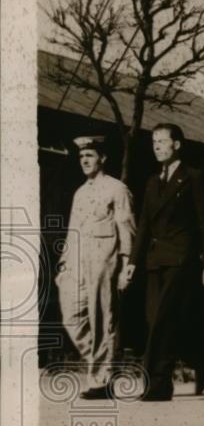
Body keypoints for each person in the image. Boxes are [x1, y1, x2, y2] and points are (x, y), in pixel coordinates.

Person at [123, 123, 204, 401]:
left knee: (162, 321)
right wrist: (132, 261)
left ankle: (158, 385)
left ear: (177, 145)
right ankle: (198, 359)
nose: (157, 146)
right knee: (155, 319)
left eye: (163, 141)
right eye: (154, 142)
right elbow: (143, 225)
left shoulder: (194, 177)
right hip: (154, 260)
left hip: (181, 259)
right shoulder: (152, 181)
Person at [56, 135, 135, 399]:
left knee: (102, 317)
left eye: (90, 156)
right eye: (81, 157)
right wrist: (64, 264)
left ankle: (101, 379)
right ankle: (105, 367)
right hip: (78, 261)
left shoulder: (117, 189)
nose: (85, 161)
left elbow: (127, 230)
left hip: (104, 260)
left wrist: (126, 265)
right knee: (72, 316)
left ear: (103, 158)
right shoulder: (80, 192)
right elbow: (72, 230)